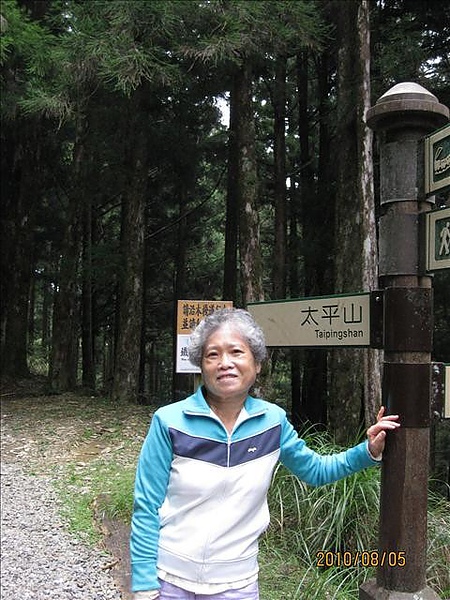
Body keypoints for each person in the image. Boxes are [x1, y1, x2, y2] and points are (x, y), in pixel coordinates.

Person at [130, 308, 400, 600]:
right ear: (200, 365)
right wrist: (144, 585)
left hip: (237, 585)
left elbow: (316, 471)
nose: (225, 363)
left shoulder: (273, 421)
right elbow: (147, 505)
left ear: (257, 363)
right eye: (212, 355)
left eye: (236, 352)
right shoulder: (169, 421)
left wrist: (369, 450)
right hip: (169, 580)